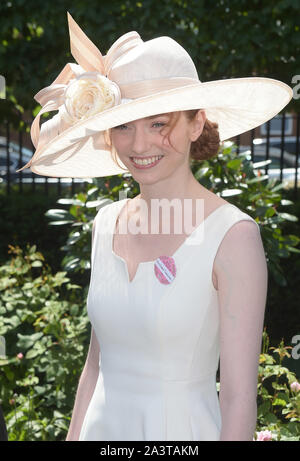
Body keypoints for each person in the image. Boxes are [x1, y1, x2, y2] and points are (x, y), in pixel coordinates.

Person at [16, 12, 293, 441]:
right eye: (123, 126)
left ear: (196, 122)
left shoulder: (233, 237)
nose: (139, 145)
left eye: (158, 123)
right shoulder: (105, 222)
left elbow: (239, 397)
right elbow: (96, 365)